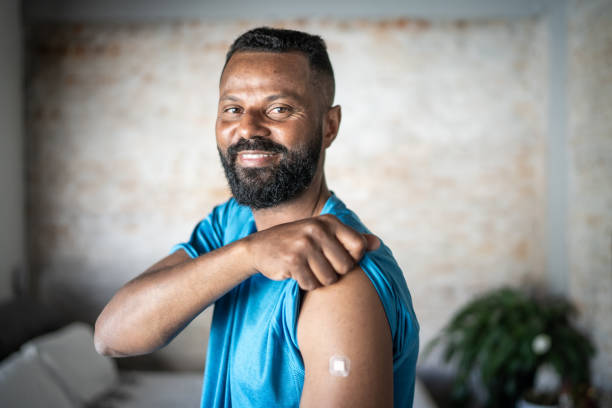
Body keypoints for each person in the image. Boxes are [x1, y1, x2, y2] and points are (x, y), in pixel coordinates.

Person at [94, 27, 419, 407]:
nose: (248, 127)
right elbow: (111, 336)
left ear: (329, 126)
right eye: (232, 109)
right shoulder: (231, 224)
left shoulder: (336, 277)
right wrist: (249, 253)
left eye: (279, 109)